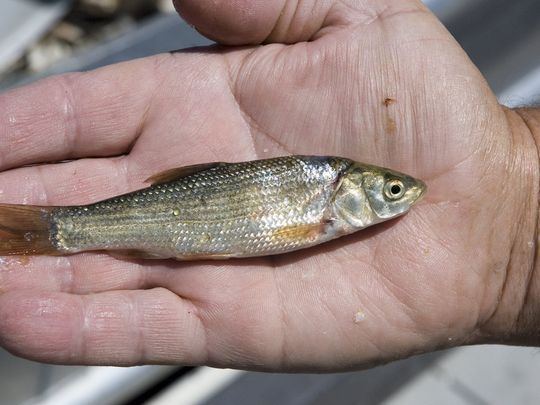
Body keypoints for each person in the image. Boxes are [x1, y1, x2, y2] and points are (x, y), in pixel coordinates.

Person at [0, 0, 538, 371]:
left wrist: (515, 214)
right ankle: (57, 230)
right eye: (391, 191)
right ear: (349, 191)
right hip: (184, 213)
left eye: (392, 191)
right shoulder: (323, 197)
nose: (403, 195)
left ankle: (58, 230)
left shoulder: (334, 191)